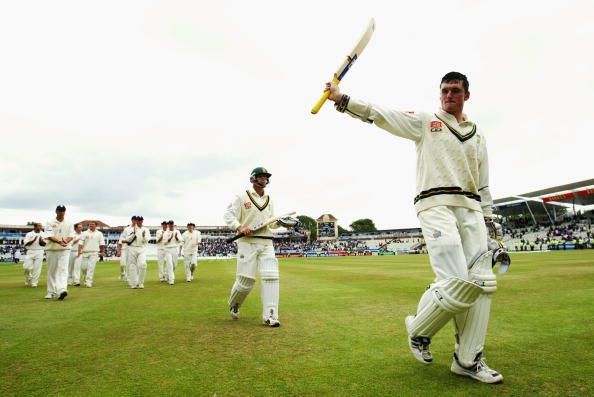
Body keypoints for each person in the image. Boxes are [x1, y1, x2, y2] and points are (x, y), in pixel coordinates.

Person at [326, 72, 504, 383]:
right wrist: (343, 99)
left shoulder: (478, 135)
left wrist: (489, 220)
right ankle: (419, 330)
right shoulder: (427, 121)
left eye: (455, 91)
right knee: (455, 282)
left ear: (467, 95)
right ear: (439, 95)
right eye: (445, 91)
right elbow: (384, 116)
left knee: (482, 283)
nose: (449, 95)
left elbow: (484, 181)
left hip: (472, 209)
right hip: (435, 204)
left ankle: (468, 359)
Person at [223, 167, 282, 327]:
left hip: (266, 241)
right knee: (246, 281)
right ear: (253, 178)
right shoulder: (242, 197)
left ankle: (271, 315)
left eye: (266, 177)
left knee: (271, 277)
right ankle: (234, 303)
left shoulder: (269, 199)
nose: (264, 179)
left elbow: (272, 223)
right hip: (247, 242)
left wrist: (281, 223)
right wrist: (240, 227)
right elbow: (228, 215)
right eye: (261, 176)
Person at [43, 205, 74, 300]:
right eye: (60, 211)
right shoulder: (49, 223)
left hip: (65, 249)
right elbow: (49, 236)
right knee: (52, 271)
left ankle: (62, 290)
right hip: (52, 249)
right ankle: (51, 292)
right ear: (56, 211)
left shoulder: (69, 223)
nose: (61, 212)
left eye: (63, 211)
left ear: (65, 212)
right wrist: (59, 241)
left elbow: (71, 235)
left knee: (63, 270)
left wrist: (66, 241)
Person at [124, 216, 150, 289]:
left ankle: (141, 282)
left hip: (142, 248)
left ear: (142, 221)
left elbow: (147, 240)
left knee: (143, 264)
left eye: (140, 220)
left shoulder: (146, 229)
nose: (139, 221)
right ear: (136, 221)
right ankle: (133, 283)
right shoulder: (130, 229)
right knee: (132, 266)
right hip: (132, 248)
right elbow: (127, 240)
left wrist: (144, 236)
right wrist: (134, 234)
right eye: (138, 220)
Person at [78, 221, 105, 288]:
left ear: (96, 225)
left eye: (93, 224)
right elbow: (80, 242)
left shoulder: (99, 233)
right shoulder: (84, 233)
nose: (91, 226)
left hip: (94, 252)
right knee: (84, 268)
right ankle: (85, 276)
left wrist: (102, 251)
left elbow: (102, 243)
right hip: (85, 252)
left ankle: (89, 282)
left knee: (91, 268)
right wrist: (79, 251)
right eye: (90, 225)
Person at [23, 222, 46, 288]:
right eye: (39, 226)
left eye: (41, 226)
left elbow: (45, 244)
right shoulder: (29, 234)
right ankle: (29, 277)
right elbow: (26, 244)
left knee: (37, 268)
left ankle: (34, 283)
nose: (40, 227)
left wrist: (41, 241)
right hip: (30, 251)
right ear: (35, 227)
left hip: (40, 251)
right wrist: (33, 240)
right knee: (26, 267)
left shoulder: (43, 234)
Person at [117, 216, 136, 282]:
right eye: (134, 220)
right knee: (122, 263)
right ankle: (122, 274)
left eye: (136, 220)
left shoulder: (139, 229)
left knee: (129, 264)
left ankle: (128, 277)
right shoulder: (127, 229)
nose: (135, 221)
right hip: (124, 248)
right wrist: (119, 250)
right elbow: (121, 240)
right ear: (132, 220)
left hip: (132, 249)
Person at [163, 220, 182, 285]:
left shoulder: (177, 232)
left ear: (173, 225)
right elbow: (164, 242)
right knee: (170, 264)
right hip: (168, 249)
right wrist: (169, 239)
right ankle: (171, 280)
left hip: (175, 249)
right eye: (170, 224)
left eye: (172, 224)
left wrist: (176, 238)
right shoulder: (166, 233)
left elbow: (180, 241)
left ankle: (168, 274)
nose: (171, 226)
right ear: (168, 225)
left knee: (174, 265)